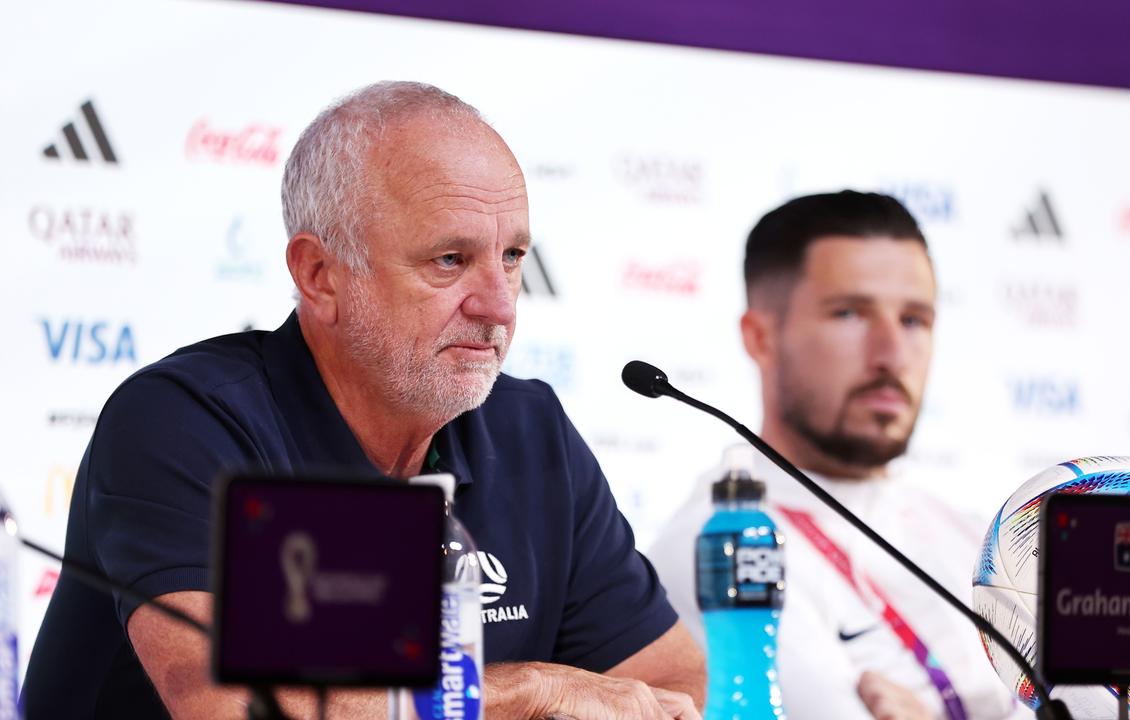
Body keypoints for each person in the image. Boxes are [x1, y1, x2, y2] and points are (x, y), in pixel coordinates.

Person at [23, 81, 705, 719]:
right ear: (319, 275)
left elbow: (676, 689)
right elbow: (236, 705)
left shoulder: (531, 431)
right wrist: (531, 691)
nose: (498, 305)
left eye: (513, 257)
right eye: (449, 261)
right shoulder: (184, 422)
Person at [649, 191, 1027, 720]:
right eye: (849, 313)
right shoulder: (723, 544)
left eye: (915, 320)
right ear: (760, 338)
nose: (892, 354)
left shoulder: (972, 535)